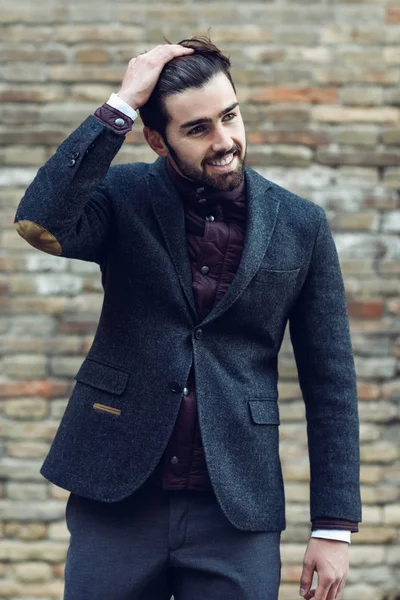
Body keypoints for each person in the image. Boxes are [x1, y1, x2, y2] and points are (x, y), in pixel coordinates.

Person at [14, 37, 361, 600]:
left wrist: (333, 525)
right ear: (158, 139)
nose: (225, 141)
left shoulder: (302, 225)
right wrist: (121, 102)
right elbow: (40, 220)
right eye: (198, 129)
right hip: (117, 497)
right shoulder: (121, 197)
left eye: (230, 116)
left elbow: (331, 384)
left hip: (236, 509)